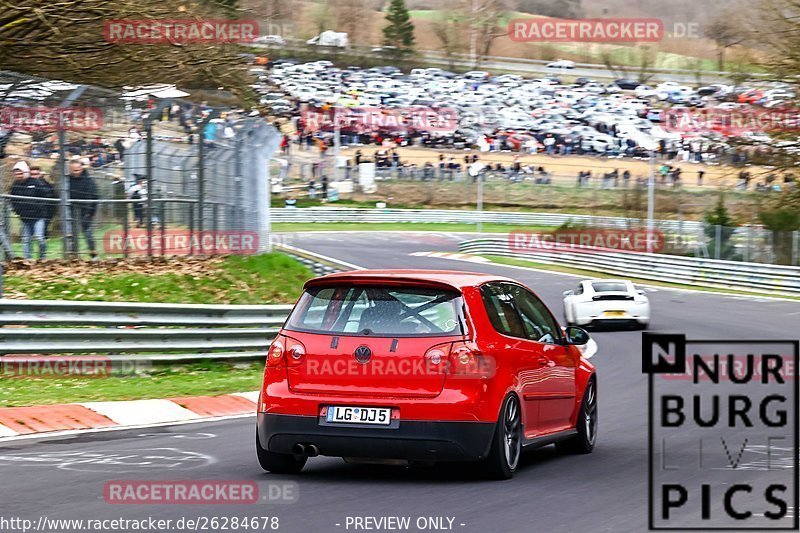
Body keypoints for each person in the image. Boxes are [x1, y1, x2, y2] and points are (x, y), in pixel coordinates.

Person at [9, 161, 53, 259]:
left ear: (25, 172)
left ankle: (42, 258)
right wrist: (18, 211)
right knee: (26, 239)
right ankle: (27, 259)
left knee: (39, 238)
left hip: (38, 217)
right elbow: (13, 200)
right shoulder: (15, 186)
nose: (18, 175)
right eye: (16, 173)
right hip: (25, 217)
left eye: (20, 173)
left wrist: (40, 207)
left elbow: (46, 195)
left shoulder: (35, 183)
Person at [68, 159, 99, 260]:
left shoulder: (88, 181)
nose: (76, 172)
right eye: (74, 170)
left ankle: (93, 253)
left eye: (78, 170)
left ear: (81, 169)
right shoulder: (67, 180)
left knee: (87, 232)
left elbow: (95, 196)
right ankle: (73, 254)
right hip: (72, 208)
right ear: (70, 170)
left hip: (86, 209)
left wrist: (91, 212)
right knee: (71, 232)